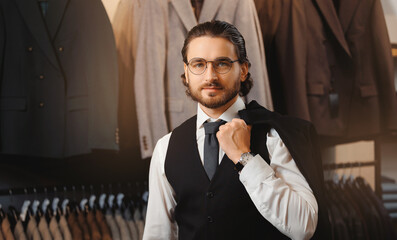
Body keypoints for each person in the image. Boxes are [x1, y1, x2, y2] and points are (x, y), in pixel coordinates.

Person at [143, 20, 329, 240]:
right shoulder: (166, 148)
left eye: (222, 64)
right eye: (198, 64)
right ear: (186, 70)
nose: (210, 76)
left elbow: (304, 226)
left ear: (243, 70)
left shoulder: (275, 136)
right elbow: (158, 234)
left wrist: (244, 158)